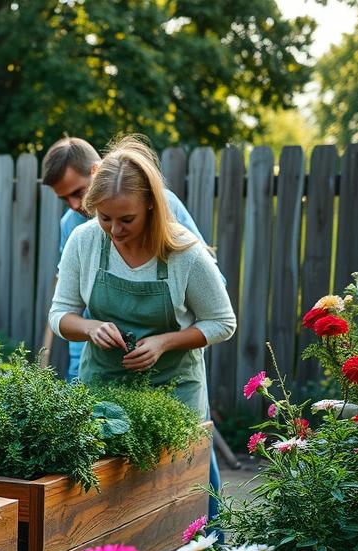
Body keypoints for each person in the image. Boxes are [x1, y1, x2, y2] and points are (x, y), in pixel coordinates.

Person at [48, 136, 235, 521]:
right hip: (103, 382)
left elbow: (223, 322)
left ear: (151, 203)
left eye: (126, 220)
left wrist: (165, 342)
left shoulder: (185, 252)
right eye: (104, 218)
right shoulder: (82, 241)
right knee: (108, 498)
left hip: (173, 390)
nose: (114, 230)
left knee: (184, 493)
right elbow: (60, 314)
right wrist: (90, 327)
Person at [41, 137, 207, 382]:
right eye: (64, 199)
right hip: (95, 356)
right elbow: (69, 304)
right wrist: (81, 360)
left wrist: (164, 342)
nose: (75, 205)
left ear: (97, 171)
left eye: (77, 192)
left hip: (170, 370)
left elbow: (212, 299)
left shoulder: (163, 205)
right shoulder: (71, 225)